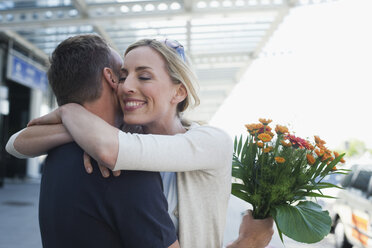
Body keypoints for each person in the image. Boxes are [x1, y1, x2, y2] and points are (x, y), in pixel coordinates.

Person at [7, 38, 274, 248]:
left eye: (143, 76)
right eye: (123, 76)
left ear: (179, 91)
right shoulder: (115, 137)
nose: (125, 87)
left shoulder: (211, 142)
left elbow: (111, 150)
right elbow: (16, 143)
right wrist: (80, 130)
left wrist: (71, 112)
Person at [6, 34, 179, 248]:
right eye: (123, 75)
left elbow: (15, 143)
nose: (128, 86)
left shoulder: (55, 153)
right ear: (111, 78)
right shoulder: (122, 164)